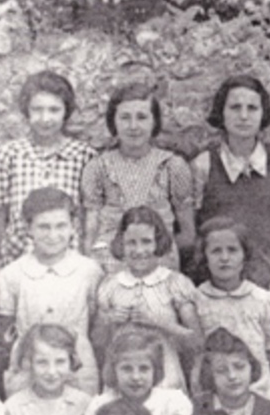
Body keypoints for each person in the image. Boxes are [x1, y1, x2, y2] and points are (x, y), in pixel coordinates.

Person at [0, 186, 103, 395]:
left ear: (73, 226)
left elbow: (96, 325)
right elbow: (6, 334)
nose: (53, 235)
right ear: (28, 228)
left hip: (78, 369)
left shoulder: (89, 271)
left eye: (61, 226)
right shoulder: (11, 275)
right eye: (44, 227)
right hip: (29, 369)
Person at [81, 82, 195, 273]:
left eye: (142, 117)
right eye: (125, 118)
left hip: (159, 263)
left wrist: (163, 253)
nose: (133, 126)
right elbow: (90, 234)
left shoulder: (172, 166)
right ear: (113, 121)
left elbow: (188, 234)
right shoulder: (98, 167)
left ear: (154, 121)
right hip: (110, 264)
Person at [191, 75, 270, 286]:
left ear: (263, 113)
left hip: (268, 277)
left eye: (252, 108)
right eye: (235, 108)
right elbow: (194, 228)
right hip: (218, 280)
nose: (244, 116)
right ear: (222, 112)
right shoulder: (203, 165)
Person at [0, 70, 95, 267]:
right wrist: (2, 260)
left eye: (54, 110)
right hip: (19, 259)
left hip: (68, 262)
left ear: (66, 112)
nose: (45, 118)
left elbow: (87, 215)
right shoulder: (9, 154)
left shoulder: (84, 156)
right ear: (27, 111)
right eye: (37, 110)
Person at [94, 206, 202, 393]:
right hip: (122, 384)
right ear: (121, 243)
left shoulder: (174, 283)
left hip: (166, 383)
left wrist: (159, 322)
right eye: (131, 243)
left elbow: (197, 342)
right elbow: (97, 342)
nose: (139, 250)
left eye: (146, 242)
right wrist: (109, 321)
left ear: (158, 243)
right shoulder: (110, 285)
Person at [193, 217, 270, 401]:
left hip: (258, 393)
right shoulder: (195, 300)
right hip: (214, 394)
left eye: (232, 250)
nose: (224, 258)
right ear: (204, 257)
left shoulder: (263, 299)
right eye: (216, 251)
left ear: (245, 255)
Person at [1, 325, 91, 415]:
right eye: (42, 362)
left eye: (60, 362)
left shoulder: (84, 405)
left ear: (71, 362)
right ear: (29, 363)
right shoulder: (14, 408)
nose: (51, 372)